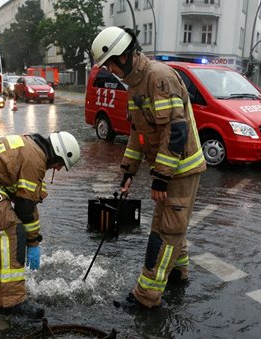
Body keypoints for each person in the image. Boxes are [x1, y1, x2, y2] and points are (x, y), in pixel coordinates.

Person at [91, 27, 206, 310]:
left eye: (111, 65)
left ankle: (146, 297)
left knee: (164, 231)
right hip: (170, 170)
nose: (111, 72)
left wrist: (161, 178)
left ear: (125, 55)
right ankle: (179, 273)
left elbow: (175, 131)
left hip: (180, 170)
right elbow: (138, 134)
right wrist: (128, 172)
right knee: (173, 225)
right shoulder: (135, 85)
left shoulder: (159, 78)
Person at [0, 131, 80, 318]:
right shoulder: (35, 160)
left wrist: (34, 239)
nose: (59, 169)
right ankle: (12, 301)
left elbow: (28, 200)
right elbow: (24, 208)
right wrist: (31, 242)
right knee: (10, 232)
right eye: (61, 164)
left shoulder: (32, 148)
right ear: (57, 153)